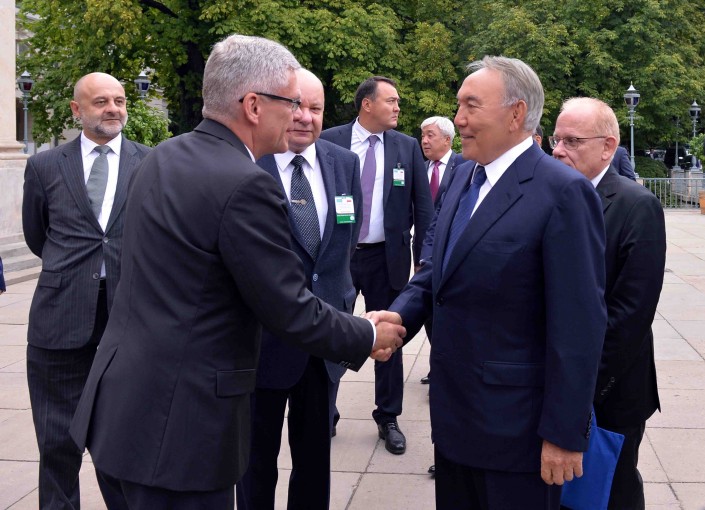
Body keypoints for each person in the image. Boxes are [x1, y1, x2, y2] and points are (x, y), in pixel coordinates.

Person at [69, 35, 404, 510]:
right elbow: (287, 307)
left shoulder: (163, 155)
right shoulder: (244, 183)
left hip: (122, 417)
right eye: (291, 102)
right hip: (180, 433)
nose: (297, 115)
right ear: (253, 105)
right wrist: (366, 334)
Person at [380, 56, 607, 509]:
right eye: (459, 105)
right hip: (454, 420)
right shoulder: (464, 174)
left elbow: (579, 325)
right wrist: (397, 316)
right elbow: (437, 270)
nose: (459, 119)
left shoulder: (563, 192)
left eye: (471, 106)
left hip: (517, 434)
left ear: (516, 114)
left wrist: (564, 434)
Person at [21, 72, 150, 509]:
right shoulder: (44, 166)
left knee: (125, 440)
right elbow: (37, 235)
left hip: (128, 323)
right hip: (59, 320)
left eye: (119, 100)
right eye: (101, 102)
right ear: (77, 110)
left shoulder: (150, 162)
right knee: (57, 442)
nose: (113, 108)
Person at [235, 68, 362, 510]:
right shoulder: (248, 163)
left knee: (314, 461)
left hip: (323, 340)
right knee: (255, 463)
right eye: (296, 105)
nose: (305, 116)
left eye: (316, 108)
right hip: (261, 341)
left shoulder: (344, 163)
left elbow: (344, 242)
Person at [552, 97, 666, 510]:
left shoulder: (638, 206)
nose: (558, 150)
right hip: (556, 383)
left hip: (610, 390)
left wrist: (578, 389)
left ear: (608, 147)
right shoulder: (553, 196)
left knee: (610, 492)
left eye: (572, 141)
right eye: (556, 139)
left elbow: (629, 316)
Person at [321, 76, 434, 455]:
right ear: (367, 104)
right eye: (391, 101)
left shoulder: (406, 146)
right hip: (339, 256)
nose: (398, 107)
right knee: (330, 333)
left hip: (388, 258)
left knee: (389, 337)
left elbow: (424, 209)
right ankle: (326, 409)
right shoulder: (331, 140)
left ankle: (388, 416)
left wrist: (424, 262)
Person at [419, 115, 465, 387]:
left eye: (430, 135)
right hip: (423, 252)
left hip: (451, 252)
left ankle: (447, 366)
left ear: (447, 140)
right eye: (422, 135)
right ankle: (438, 364)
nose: (424, 141)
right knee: (428, 312)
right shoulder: (419, 168)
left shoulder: (464, 166)